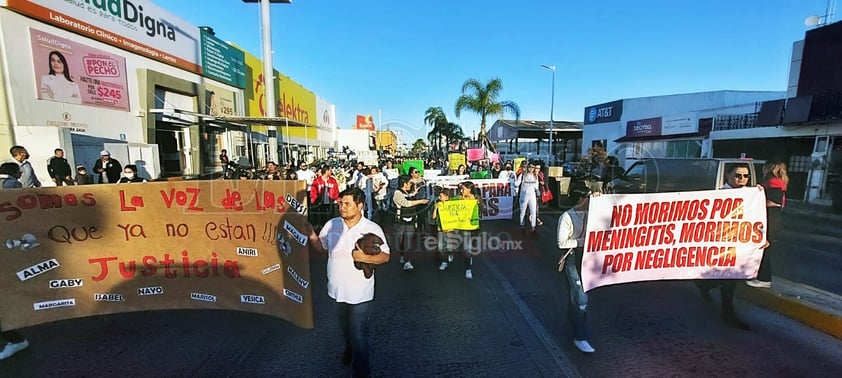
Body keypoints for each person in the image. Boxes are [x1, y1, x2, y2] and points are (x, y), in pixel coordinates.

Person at [305, 187, 390, 378]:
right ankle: (350, 348)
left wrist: (364, 257)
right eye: (340, 203)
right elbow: (321, 247)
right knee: (345, 327)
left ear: (360, 205)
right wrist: (311, 234)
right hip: (335, 289)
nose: (342, 207)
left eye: (347, 204)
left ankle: (361, 372)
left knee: (359, 333)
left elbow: (385, 257)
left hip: (360, 292)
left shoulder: (372, 228)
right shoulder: (332, 224)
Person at [695, 163, 753, 330]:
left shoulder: (751, 196)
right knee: (724, 276)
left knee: (731, 278)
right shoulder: (719, 195)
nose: (742, 179)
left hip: (739, 242)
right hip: (721, 243)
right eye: (738, 175)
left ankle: (727, 311)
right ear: (728, 175)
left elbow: (756, 218)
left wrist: (761, 237)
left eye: (745, 176)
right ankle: (705, 286)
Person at [557, 181, 597, 353]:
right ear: (581, 198)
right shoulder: (566, 217)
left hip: (587, 258)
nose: (590, 199)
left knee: (575, 299)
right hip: (573, 259)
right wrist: (583, 242)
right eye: (588, 197)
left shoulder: (593, 212)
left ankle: (572, 328)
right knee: (581, 299)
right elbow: (561, 243)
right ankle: (580, 337)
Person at [747, 160, 788, 288]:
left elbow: (775, 202)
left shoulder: (773, 181)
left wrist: (756, 200)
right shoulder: (778, 181)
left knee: (764, 248)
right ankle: (760, 276)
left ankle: (764, 278)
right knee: (763, 247)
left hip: (770, 218)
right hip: (773, 218)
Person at [393, 174, 430, 271]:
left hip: (411, 220)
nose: (410, 185)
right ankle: (402, 255)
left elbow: (409, 197)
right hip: (401, 221)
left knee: (408, 241)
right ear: (404, 184)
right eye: (409, 183)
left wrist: (414, 193)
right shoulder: (397, 193)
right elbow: (406, 203)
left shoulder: (407, 192)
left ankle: (407, 261)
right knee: (401, 240)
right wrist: (420, 201)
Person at [459, 181, 482, 279]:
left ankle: (469, 258)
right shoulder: (459, 197)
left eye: (463, 189)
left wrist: (479, 204)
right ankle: (468, 269)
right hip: (464, 226)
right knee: (466, 247)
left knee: (471, 246)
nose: (461, 191)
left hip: (475, 226)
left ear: (469, 190)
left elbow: (484, 209)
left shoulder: (477, 198)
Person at [431, 186, 457, 271]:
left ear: (447, 197)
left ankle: (450, 254)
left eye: (441, 196)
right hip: (440, 229)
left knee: (450, 246)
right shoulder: (438, 204)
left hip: (450, 229)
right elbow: (434, 217)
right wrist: (435, 208)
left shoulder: (452, 204)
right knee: (440, 247)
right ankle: (444, 262)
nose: (439, 198)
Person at [516, 163, 541, 233]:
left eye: (533, 167)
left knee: (533, 212)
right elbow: (517, 183)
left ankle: (533, 227)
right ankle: (522, 225)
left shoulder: (535, 176)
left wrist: (538, 194)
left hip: (532, 196)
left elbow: (536, 187)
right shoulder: (523, 175)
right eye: (530, 167)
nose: (531, 168)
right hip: (524, 195)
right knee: (523, 211)